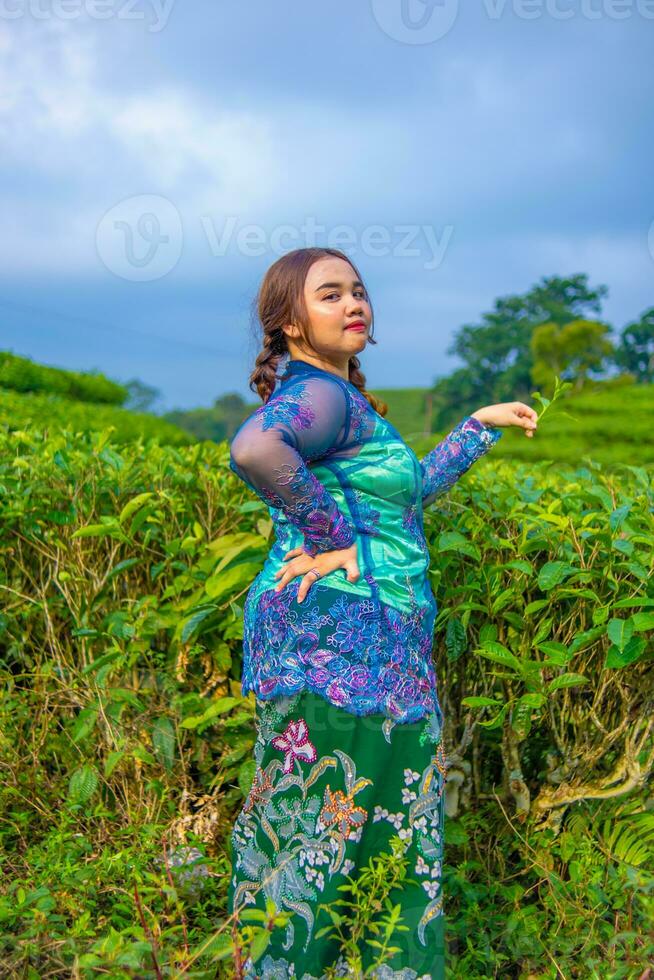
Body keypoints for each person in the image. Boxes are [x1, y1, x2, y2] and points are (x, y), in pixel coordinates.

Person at [226, 247, 538, 979]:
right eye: (329, 294)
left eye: (358, 291)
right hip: (343, 635)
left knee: (354, 825)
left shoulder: (343, 401)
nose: (353, 302)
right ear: (290, 324)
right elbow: (255, 446)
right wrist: (331, 536)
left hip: (367, 636)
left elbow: (400, 503)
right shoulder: (321, 397)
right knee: (337, 830)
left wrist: (475, 428)